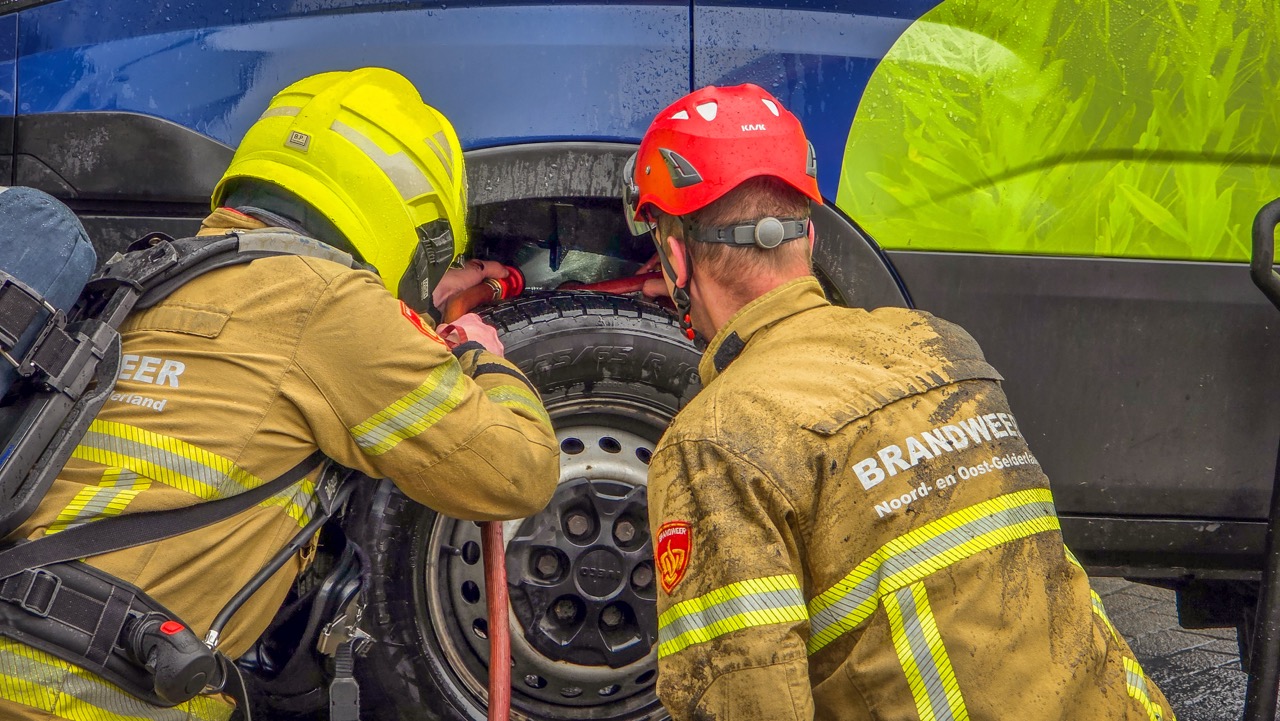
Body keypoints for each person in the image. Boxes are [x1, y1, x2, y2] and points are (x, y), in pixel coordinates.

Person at [0, 67, 559, 721]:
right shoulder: (329, 304)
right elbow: (517, 471)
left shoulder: (151, 270)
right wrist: (479, 358)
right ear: (414, 222)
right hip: (87, 696)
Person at [627, 84, 1176, 721]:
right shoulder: (938, 347)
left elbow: (740, 701)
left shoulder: (716, 441)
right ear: (808, 236)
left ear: (673, 255)